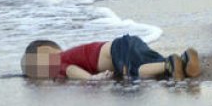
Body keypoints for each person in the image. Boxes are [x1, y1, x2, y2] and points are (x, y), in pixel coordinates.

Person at [20, 35, 200, 81]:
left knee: (137, 72)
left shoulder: (57, 61)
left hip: (117, 52)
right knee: (152, 62)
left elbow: (71, 71)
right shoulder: (71, 53)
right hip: (125, 43)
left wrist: (90, 78)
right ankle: (183, 61)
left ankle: (169, 64)